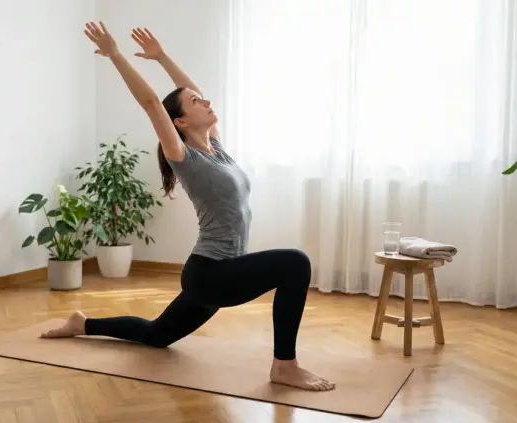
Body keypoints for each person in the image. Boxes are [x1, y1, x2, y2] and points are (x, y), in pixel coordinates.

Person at [41, 21, 334, 392]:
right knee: (295, 263)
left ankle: (82, 324)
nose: (206, 102)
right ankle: (285, 366)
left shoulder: (217, 149)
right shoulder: (183, 156)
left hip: (219, 273)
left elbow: (191, 94)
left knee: (157, 334)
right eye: (196, 103)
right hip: (211, 274)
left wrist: (162, 57)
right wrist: (115, 55)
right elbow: (152, 103)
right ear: (179, 121)